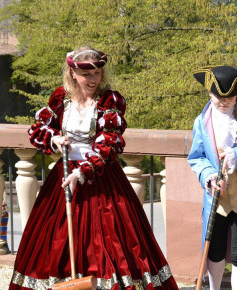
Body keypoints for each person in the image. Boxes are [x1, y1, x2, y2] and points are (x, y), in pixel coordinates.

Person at [10, 46, 178, 289]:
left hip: (100, 177)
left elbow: (110, 144)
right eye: (86, 75)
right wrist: (54, 139)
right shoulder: (60, 99)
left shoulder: (109, 102)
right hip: (64, 175)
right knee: (56, 240)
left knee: (108, 241)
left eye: (97, 73)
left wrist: (83, 172)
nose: (92, 79)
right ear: (73, 74)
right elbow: (38, 129)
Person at [187, 66, 237, 290]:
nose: (224, 102)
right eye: (218, 97)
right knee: (215, 251)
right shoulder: (200, 122)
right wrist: (208, 175)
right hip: (217, 198)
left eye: (229, 97)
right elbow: (197, 157)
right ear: (209, 94)